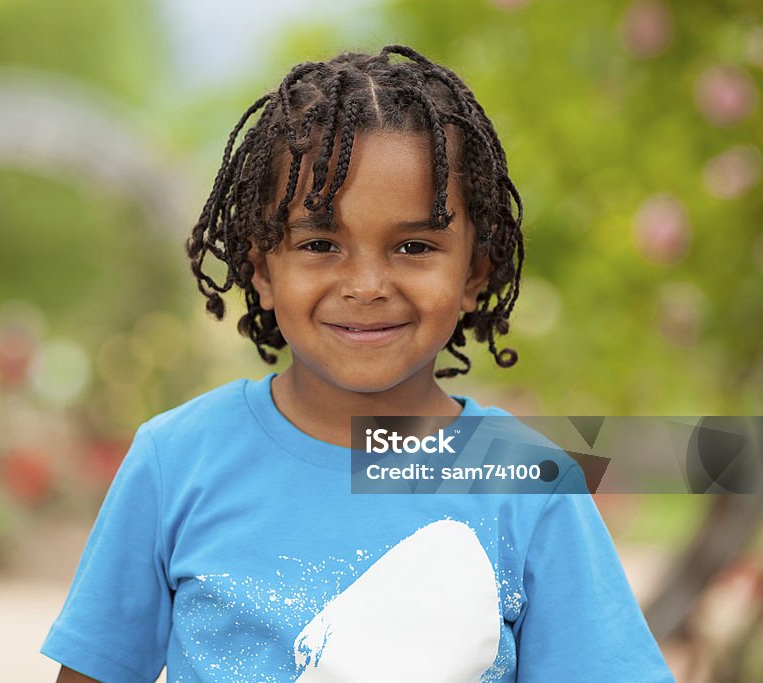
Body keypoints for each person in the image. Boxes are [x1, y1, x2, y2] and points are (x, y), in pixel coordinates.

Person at [41, 45, 675, 682]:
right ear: (262, 270)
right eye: (320, 243)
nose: (367, 284)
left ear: (474, 275)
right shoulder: (175, 461)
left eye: (413, 245)